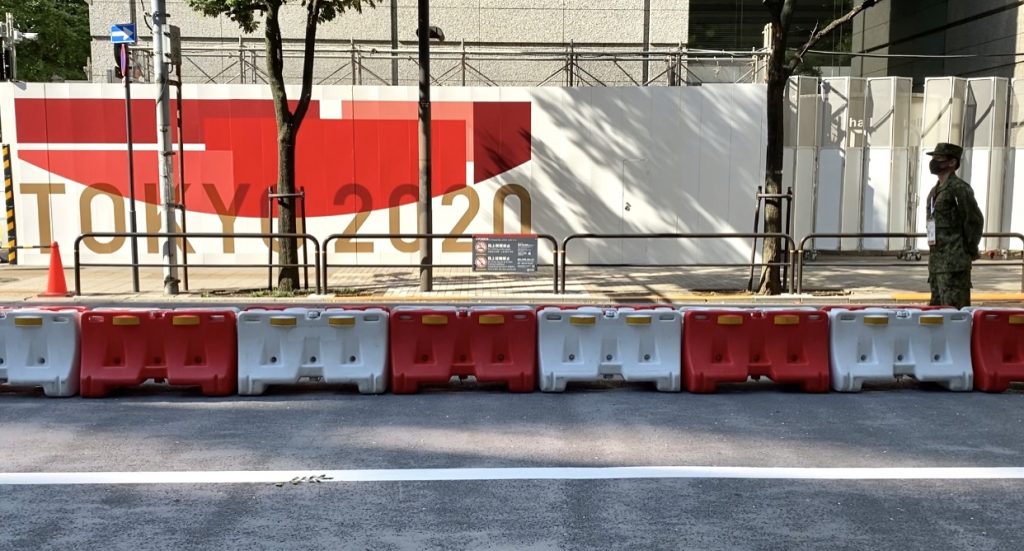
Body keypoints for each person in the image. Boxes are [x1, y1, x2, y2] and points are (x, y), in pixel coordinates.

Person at [924, 143, 984, 309]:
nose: (934, 162)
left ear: (952, 163)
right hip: (937, 264)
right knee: (936, 315)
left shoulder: (959, 188)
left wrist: (970, 249)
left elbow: (973, 220)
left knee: (955, 314)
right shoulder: (935, 190)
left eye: (939, 159)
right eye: (933, 159)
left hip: (954, 264)